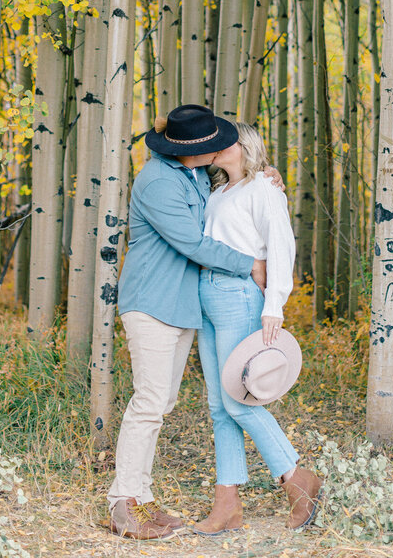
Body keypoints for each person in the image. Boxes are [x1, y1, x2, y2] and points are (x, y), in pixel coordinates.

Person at [107, 104, 276, 541]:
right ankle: (123, 503)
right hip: (151, 303)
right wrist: (250, 265)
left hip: (182, 306)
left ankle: (141, 498)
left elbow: (231, 200)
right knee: (148, 402)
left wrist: (264, 176)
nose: (220, 148)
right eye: (212, 145)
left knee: (160, 404)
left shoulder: (197, 175)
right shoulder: (157, 181)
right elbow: (193, 243)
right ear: (193, 150)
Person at [193, 123, 322, 534]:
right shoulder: (217, 191)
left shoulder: (264, 187)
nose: (213, 148)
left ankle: (297, 479)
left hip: (239, 297)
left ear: (243, 145)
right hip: (207, 296)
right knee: (219, 406)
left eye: (221, 141)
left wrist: (275, 305)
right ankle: (227, 505)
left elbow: (281, 243)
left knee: (238, 400)